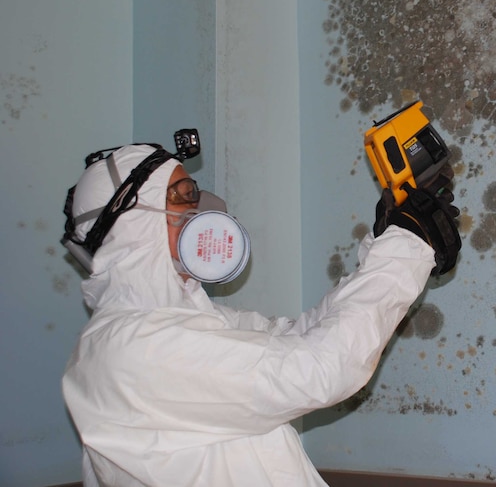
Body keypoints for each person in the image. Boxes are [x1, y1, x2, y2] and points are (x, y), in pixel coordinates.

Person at [60, 136, 460, 486]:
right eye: (180, 195)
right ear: (131, 225)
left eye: (193, 194)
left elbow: (303, 336)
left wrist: (388, 241)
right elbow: (320, 370)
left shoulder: (184, 322)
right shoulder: (133, 348)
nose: (197, 210)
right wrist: (407, 249)